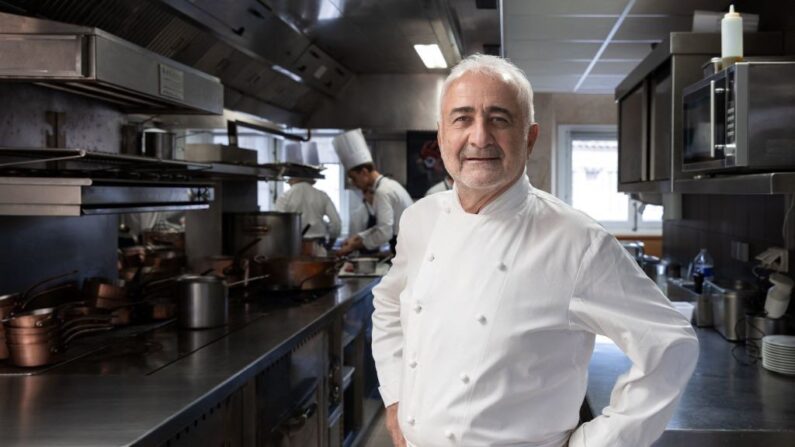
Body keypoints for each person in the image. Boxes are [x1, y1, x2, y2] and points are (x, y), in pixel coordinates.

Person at [371, 54, 699, 447]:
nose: (479, 138)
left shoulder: (576, 242)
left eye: (499, 118)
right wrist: (394, 398)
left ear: (530, 137)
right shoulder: (419, 220)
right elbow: (389, 303)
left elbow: (671, 343)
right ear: (441, 136)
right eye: (462, 118)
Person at [333, 129, 413, 255]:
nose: (354, 183)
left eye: (354, 178)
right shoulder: (389, 185)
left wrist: (354, 246)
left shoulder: (382, 192)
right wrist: (358, 237)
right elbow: (383, 227)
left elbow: (384, 233)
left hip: (407, 249)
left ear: (364, 172)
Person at [275, 177, 341, 255]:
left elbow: (278, 224)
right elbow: (336, 222)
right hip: (318, 246)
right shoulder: (322, 195)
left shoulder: (284, 197)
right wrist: (331, 242)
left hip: (294, 246)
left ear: (292, 180)